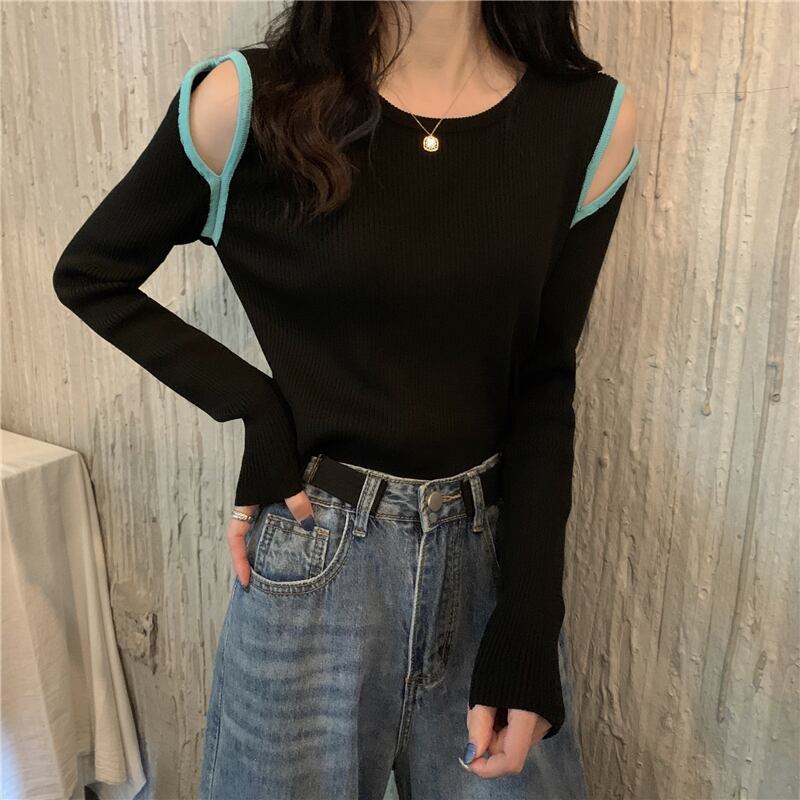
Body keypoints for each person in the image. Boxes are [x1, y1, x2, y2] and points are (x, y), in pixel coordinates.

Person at [52, 1, 639, 797]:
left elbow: (545, 375)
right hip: (316, 565)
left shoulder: (589, 121)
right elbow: (92, 274)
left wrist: (532, 620)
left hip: (492, 571)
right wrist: (255, 408)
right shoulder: (252, 104)